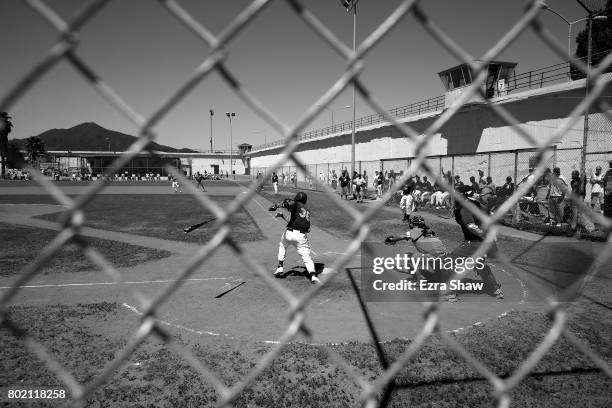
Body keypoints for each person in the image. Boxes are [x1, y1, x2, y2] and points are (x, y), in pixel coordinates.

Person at [453, 185, 503, 299]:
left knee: (449, 262)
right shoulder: (478, 205)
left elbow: (471, 226)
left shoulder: (466, 207)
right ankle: (496, 290)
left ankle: (449, 293)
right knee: (480, 265)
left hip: (475, 243)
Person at [272, 192, 320, 283]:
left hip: (289, 234)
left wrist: (277, 205)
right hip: (301, 236)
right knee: (307, 257)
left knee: (282, 245)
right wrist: (282, 216)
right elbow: (306, 228)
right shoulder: (307, 211)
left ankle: (280, 267)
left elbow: (288, 202)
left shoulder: (296, 204)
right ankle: (313, 276)